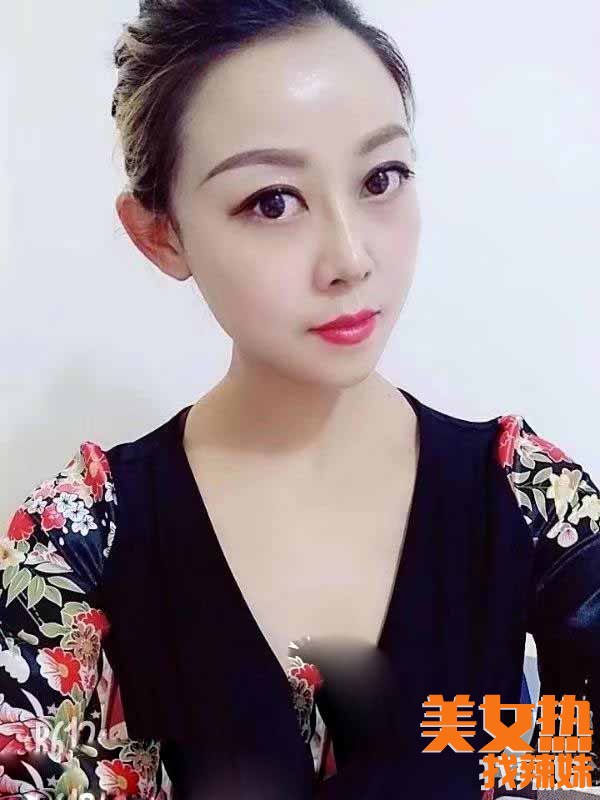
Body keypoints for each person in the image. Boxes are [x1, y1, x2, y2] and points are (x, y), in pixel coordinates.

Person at [1, 1, 598, 798]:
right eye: (272, 201)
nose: (350, 258)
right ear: (160, 233)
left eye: (381, 179)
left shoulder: (529, 499)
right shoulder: (76, 537)